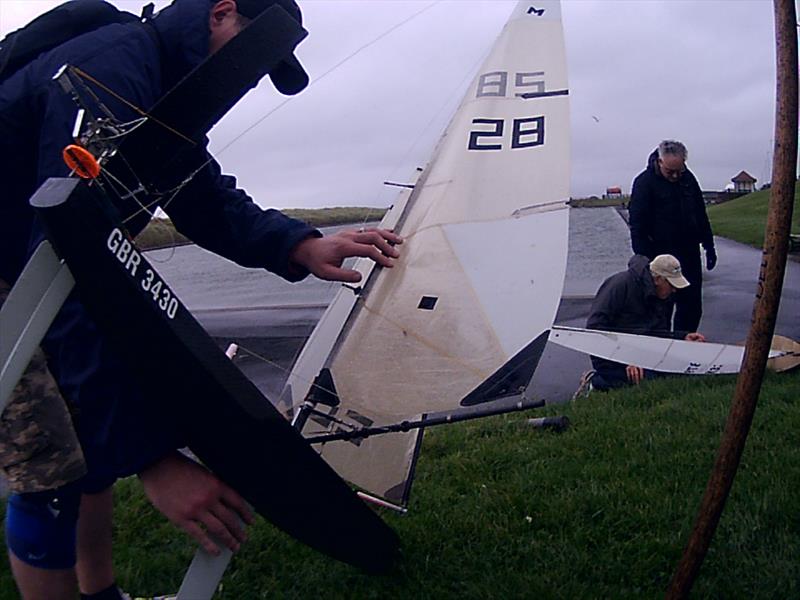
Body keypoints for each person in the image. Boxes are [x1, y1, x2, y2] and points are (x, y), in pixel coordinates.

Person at [0, 1, 402, 598]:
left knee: (83, 456)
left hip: (30, 266)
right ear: (220, 13)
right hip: (15, 275)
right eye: (250, 58)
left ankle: (101, 593)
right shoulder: (114, 68)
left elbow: (199, 193)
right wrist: (156, 459)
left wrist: (300, 244)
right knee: (50, 466)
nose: (245, 81)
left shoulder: (155, 88)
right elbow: (64, 254)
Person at [576, 254, 706, 395]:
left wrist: (682, 337)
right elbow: (595, 330)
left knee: (680, 372)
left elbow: (658, 334)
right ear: (657, 279)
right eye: (671, 284)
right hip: (611, 357)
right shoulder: (619, 285)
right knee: (643, 379)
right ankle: (595, 381)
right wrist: (625, 361)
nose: (674, 290)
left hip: (643, 353)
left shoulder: (664, 295)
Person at [628, 140, 716, 333]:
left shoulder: (688, 179)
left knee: (692, 306)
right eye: (670, 172)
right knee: (661, 308)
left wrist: (709, 246)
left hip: (688, 253)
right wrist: (644, 259)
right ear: (659, 162)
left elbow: (700, 214)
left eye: (679, 170)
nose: (675, 176)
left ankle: (685, 342)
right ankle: (661, 347)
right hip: (659, 256)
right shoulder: (644, 183)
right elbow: (637, 224)